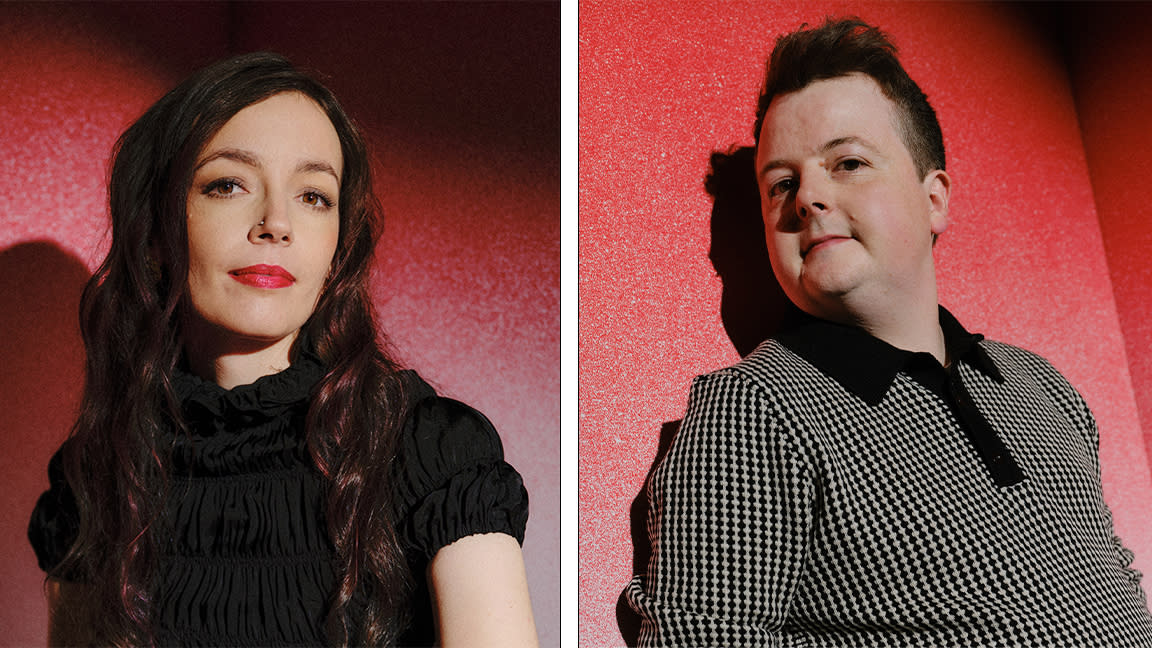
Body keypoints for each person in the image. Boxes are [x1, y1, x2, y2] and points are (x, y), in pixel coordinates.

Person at [624, 17, 1152, 647]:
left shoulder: (1043, 387)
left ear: (934, 200)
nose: (808, 198)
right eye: (781, 185)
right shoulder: (756, 410)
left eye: (847, 162)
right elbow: (701, 638)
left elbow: (1120, 589)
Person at [27, 52, 538, 647]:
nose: (276, 222)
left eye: (314, 196)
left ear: (336, 251)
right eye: (228, 184)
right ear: (157, 231)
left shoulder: (432, 452)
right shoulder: (98, 473)